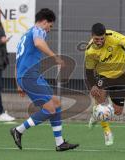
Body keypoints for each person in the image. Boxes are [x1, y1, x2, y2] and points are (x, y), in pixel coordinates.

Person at [10, 8, 79, 151]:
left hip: (29, 76)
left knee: (56, 103)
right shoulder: (38, 30)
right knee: (50, 109)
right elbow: (39, 43)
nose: (49, 29)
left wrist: (18, 83)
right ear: (44, 21)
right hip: (30, 77)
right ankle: (18, 130)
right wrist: (56, 58)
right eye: (50, 26)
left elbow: (17, 62)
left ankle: (60, 143)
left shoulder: (25, 35)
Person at [85, 23, 125, 146]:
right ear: (92, 36)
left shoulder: (113, 36)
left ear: (105, 36)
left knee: (118, 111)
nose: (100, 41)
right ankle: (107, 132)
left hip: (120, 75)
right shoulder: (90, 50)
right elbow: (89, 71)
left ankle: (97, 114)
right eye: (97, 39)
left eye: (102, 39)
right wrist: (92, 85)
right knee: (100, 100)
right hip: (103, 76)